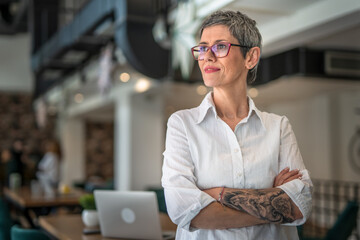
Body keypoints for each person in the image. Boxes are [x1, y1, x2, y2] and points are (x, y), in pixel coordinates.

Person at [161, 10, 313, 240]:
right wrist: (274, 199)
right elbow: (184, 211)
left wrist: (217, 195)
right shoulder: (182, 124)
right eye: (202, 48)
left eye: (220, 46)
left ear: (251, 57)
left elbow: (300, 205)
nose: (207, 57)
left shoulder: (278, 127)